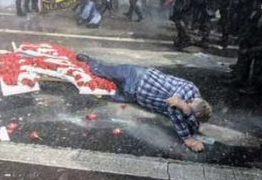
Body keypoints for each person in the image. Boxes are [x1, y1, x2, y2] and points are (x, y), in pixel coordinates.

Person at [76, 54, 213, 152]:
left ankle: (88, 85)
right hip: (136, 75)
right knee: (103, 70)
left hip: (133, 94)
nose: (190, 101)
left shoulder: (189, 112)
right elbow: (174, 105)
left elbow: (192, 124)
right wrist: (188, 138)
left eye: (191, 104)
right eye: (191, 101)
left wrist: (186, 110)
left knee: (102, 93)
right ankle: (90, 61)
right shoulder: (191, 90)